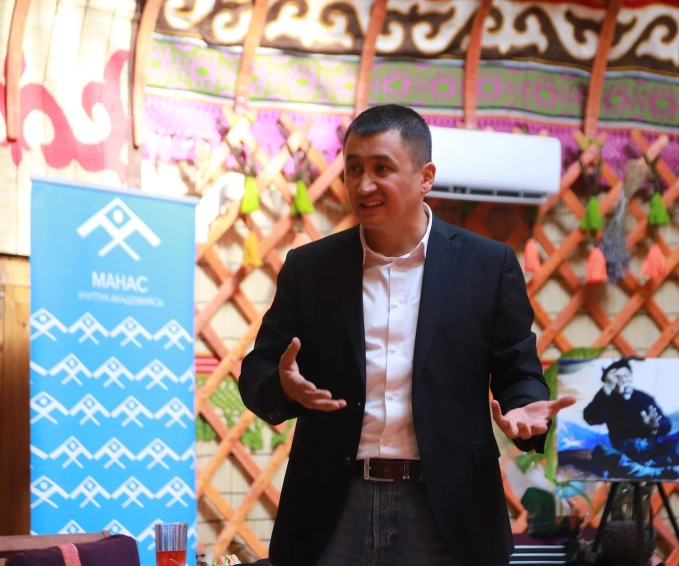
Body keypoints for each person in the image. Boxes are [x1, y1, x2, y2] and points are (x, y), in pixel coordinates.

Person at [239, 104, 575, 566]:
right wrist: (283, 386)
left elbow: (519, 370)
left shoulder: (487, 266)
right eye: (353, 169)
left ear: (425, 177)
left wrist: (523, 407)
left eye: (382, 168)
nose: (363, 185)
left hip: (448, 507)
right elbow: (257, 368)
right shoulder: (310, 267)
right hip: (332, 505)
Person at [582, 357, 679, 480]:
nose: (624, 380)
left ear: (631, 377)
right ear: (609, 382)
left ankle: (641, 468)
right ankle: (654, 471)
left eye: (626, 375)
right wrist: (606, 390)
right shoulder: (607, 400)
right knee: (601, 451)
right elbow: (590, 418)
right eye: (618, 377)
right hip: (623, 454)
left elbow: (666, 424)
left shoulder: (645, 398)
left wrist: (655, 426)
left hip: (651, 452)